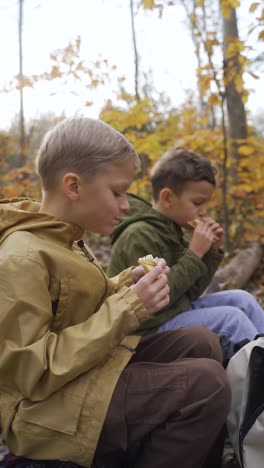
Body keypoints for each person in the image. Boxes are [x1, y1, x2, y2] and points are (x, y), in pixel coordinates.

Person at [0, 120, 230, 468]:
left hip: (86, 375)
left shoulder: (66, 238)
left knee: (201, 341)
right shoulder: (22, 256)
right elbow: (33, 372)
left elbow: (81, 307)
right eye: (117, 192)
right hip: (44, 415)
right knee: (207, 385)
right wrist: (129, 305)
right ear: (74, 186)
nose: (126, 206)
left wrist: (126, 282)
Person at [108, 147, 264, 360]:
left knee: (242, 299)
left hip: (173, 312)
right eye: (197, 203)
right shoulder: (140, 234)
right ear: (168, 198)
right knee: (231, 320)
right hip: (143, 333)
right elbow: (158, 301)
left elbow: (190, 292)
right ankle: (255, 377)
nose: (203, 212)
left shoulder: (171, 228)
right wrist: (195, 253)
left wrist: (210, 253)